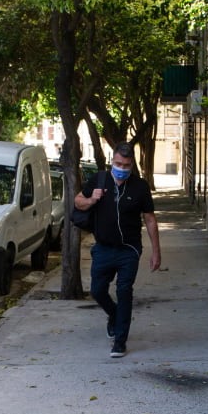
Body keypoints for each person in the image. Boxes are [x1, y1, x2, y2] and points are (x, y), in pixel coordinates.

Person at [74, 142, 161, 358]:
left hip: (129, 250)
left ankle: (120, 341)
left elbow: (150, 220)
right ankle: (114, 315)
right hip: (103, 248)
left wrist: (156, 252)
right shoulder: (100, 180)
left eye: (126, 164)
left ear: (132, 165)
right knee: (97, 291)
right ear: (112, 161)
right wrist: (92, 199)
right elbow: (78, 202)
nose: (121, 168)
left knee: (124, 291)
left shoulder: (140, 187)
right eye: (118, 163)